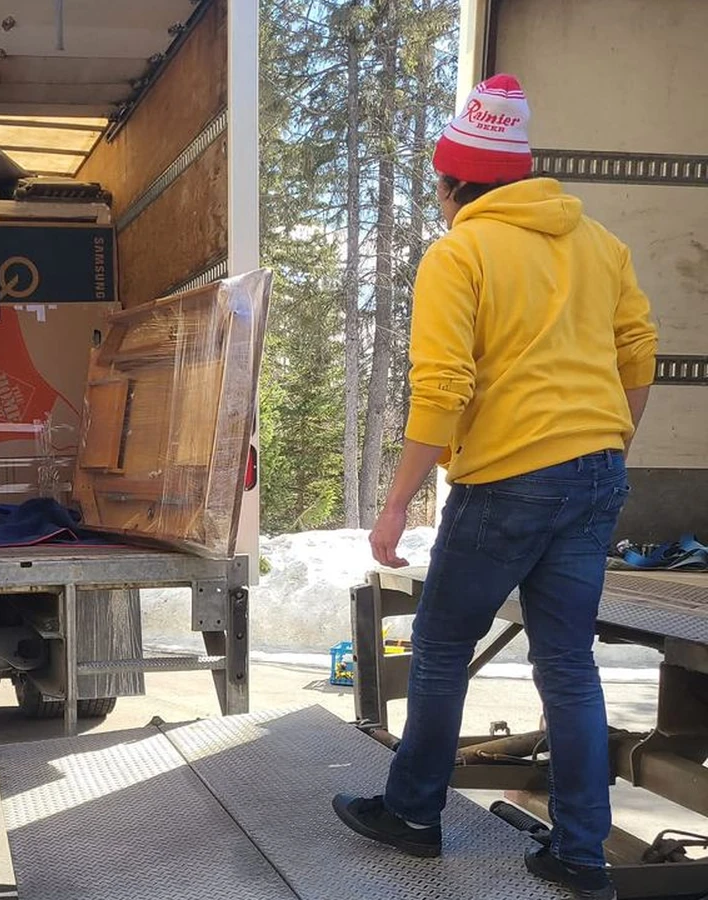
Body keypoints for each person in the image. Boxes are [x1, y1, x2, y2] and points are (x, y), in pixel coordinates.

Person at [331, 75, 657, 900]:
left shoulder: (461, 252)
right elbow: (638, 353)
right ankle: (580, 854)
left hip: (509, 478)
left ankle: (412, 815)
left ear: (453, 185)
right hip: (597, 472)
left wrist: (396, 503)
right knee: (568, 664)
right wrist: (609, 442)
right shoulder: (601, 244)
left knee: (442, 648)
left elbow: (443, 386)